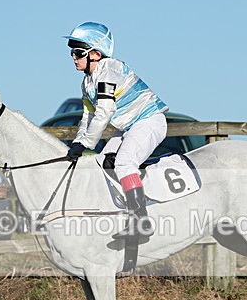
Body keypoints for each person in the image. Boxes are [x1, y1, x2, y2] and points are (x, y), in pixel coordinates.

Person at [63, 22, 168, 239]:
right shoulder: (87, 83)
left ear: (96, 54)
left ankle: (141, 221)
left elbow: (104, 111)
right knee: (102, 162)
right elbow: (88, 117)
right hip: (129, 127)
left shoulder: (109, 69)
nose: (73, 57)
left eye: (78, 52)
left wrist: (86, 144)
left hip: (149, 121)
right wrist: (77, 141)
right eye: (72, 52)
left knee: (123, 163)